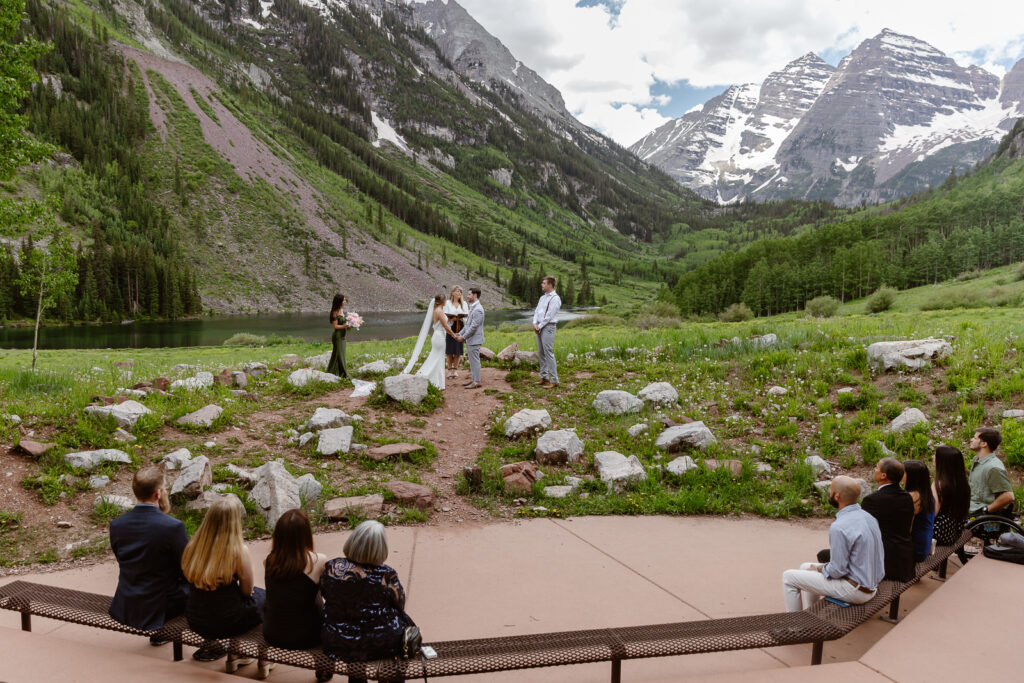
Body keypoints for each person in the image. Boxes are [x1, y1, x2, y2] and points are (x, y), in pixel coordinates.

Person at [321, 521, 415, 683]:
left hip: (338, 639)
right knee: (401, 634)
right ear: (381, 548)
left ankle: (357, 679)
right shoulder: (386, 575)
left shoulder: (333, 568)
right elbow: (400, 604)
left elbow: (325, 594)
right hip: (381, 641)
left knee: (354, 643)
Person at [182, 496, 266, 673]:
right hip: (225, 622)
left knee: (235, 601)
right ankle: (261, 658)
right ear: (234, 522)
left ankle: (236, 654)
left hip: (195, 617)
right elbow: (246, 591)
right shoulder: (238, 551)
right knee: (263, 598)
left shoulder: (193, 546)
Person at [108, 466, 189, 646]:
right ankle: (215, 644)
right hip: (161, 605)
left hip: (127, 601)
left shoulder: (117, 525)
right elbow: (187, 568)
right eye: (165, 487)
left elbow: (123, 560)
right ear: (158, 494)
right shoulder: (173, 527)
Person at [782, 476, 884, 612]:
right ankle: (811, 613)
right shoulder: (869, 517)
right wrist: (819, 568)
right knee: (805, 567)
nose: (829, 494)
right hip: (871, 585)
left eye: (830, 490)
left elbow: (837, 571)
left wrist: (820, 568)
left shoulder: (839, 526)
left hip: (856, 591)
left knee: (788, 577)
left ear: (837, 496)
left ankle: (794, 628)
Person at [263, 509, 327, 677]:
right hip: (306, 636)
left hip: (272, 633)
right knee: (318, 597)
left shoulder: (270, 560)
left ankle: (263, 662)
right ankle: (323, 665)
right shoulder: (318, 561)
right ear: (306, 534)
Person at [861, 457, 916, 582]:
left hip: (884, 562)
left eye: (876, 467)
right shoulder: (907, 497)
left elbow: (864, 533)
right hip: (905, 560)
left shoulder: (872, 500)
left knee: (825, 555)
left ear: (883, 476)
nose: (874, 469)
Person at [932, 445, 971, 564]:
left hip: (939, 534)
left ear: (943, 461)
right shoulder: (962, 483)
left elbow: (932, 514)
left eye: (935, 455)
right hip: (954, 532)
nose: (933, 457)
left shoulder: (939, 485)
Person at [967, 427, 1015, 518]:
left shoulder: (993, 467)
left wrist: (986, 510)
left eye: (975, 438)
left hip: (980, 515)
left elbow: (1008, 496)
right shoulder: (977, 460)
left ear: (984, 444)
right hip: (971, 508)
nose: (971, 440)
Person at [414, 294, 455, 390]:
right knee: (437, 358)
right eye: (445, 300)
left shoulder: (437, 310)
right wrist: (453, 334)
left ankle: (437, 381)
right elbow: (445, 326)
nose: (446, 301)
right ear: (442, 301)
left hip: (438, 335)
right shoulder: (439, 311)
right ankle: (427, 377)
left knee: (437, 357)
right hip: (439, 336)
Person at [903, 460, 936, 562]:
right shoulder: (926, 494)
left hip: (916, 549)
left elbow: (907, 528)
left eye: (903, 472)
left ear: (911, 476)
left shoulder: (913, 497)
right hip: (924, 544)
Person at [532, 276, 561, 388]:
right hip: (539, 327)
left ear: (550, 285)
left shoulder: (555, 298)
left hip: (548, 327)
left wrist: (539, 326)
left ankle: (554, 380)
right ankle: (544, 377)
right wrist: (535, 323)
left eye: (544, 283)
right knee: (541, 352)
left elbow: (549, 315)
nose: (542, 285)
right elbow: (537, 311)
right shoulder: (542, 298)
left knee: (548, 352)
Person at [456, 287, 484, 389]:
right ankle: (474, 379)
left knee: (475, 361)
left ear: (475, 296)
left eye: (469, 294)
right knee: (472, 361)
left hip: (474, 340)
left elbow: (473, 327)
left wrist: (463, 337)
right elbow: (468, 324)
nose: (467, 296)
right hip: (471, 339)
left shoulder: (478, 309)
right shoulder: (473, 307)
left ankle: (476, 381)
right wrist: (460, 333)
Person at [444, 286, 468, 379]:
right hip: (450, 327)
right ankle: (449, 370)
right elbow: (444, 315)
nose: (459, 293)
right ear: (452, 293)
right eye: (457, 291)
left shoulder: (464, 303)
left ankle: (455, 370)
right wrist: (452, 318)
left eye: (460, 292)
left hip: (460, 327)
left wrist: (461, 317)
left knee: (458, 350)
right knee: (449, 350)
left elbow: (467, 315)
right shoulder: (447, 303)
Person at [327, 294, 351, 378]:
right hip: (338, 336)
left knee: (341, 354)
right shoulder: (335, 312)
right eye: (344, 300)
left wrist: (351, 323)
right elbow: (335, 326)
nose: (345, 301)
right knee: (339, 355)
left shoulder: (341, 309)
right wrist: (345, 326)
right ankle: (342, 374)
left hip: (343, 336)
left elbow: (343, 322)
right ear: (340, 301)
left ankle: (338, 373)